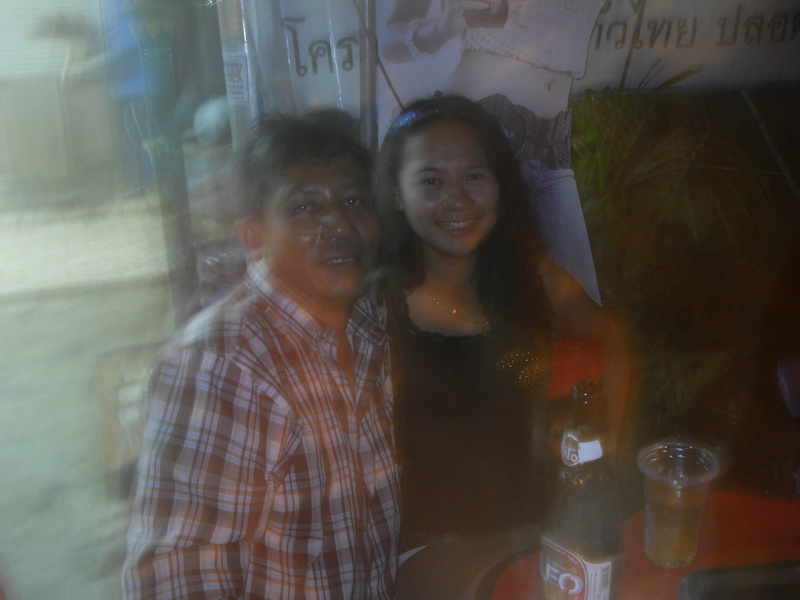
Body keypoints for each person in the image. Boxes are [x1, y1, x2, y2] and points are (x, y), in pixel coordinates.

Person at [122, 110, 400, 599]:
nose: (340, 223)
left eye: (355, 200)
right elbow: (179, 578)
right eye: (304, 207)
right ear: (254, 237)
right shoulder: (221, 364)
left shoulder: (366, 330)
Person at [374, 93, 629, 599]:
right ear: (397, 194)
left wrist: (607, 447)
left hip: (539, 535)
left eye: (475, 175)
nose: (459, 199)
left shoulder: (532, 278)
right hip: (429, 547)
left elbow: (614, 340)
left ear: (500, 183)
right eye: (431, 181)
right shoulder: (376, 306)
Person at [380, 0, 607, 305]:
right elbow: (391, 40)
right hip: (478, 156)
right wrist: (443, 26)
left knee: (580, 314)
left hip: (551, 154)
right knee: (484, 310)